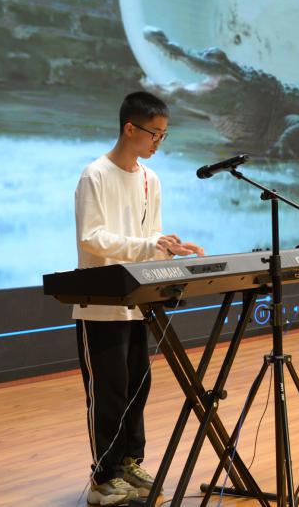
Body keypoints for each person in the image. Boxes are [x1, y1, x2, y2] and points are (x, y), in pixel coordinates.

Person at [74, 91, 205, 506]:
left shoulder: (151, 179)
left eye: (164, 135)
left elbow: (150, 238)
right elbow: (92, 238)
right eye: (154, 133)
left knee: (137, 387)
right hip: (100, 304)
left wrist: (168, 248)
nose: (158, 142)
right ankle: (103, 478)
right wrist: (149, 245)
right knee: (108, 391)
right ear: (130, 128)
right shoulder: (95, 175)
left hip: (138, 301)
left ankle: (130, 463)